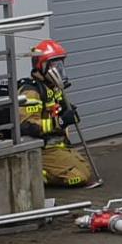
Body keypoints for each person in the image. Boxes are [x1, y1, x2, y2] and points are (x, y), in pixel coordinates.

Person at [17, 39, 99, 188]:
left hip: (57, 146)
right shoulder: (32, 92)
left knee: (86, 169)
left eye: (60, 64)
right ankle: (37, 173)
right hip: (42, 149)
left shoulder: (53, 89)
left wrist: (67, 112)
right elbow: (26, 126)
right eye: (54, 65)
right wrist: (60, 122)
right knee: (79, 177)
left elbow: (58, 111)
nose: (58, 69)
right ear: (41, 65)